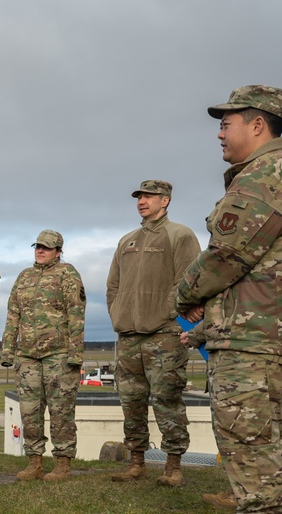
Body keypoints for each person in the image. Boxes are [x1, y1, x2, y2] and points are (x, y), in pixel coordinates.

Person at [175, 85, 282, 514]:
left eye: (226, 122)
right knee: (266, 439)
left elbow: (229, 255)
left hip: (255, 333)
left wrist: (183, 293)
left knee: (249, 443)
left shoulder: (266, 174)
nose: (219, 132)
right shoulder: (280, 174)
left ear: (258, 124)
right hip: (267, 329)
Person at [106, 180, 200, 486]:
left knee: (166, 400)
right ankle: (136, 462)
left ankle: (173, 466)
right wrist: (118, 313)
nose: (141, 201)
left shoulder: (180, 235)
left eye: (148, 196)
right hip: (129, 336)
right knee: (131, 401)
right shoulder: (127, 241)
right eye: (139, 197)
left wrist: (165, 313)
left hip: (164, 335)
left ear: (165, 200)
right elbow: (112, 287)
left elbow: (187, 281)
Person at [1, 230, 86, 482]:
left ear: (58, 251)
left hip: (58, 354)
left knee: (60, 411)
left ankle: (62, 463)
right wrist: (8, 348)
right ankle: (34, 461)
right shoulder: (24, 277)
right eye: (37, 246)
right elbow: (13, 313)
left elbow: (76, 314)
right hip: (27, 355)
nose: (40, 251)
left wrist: (75, 353)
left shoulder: (67, 273)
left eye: (46, 248)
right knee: (29, 411)